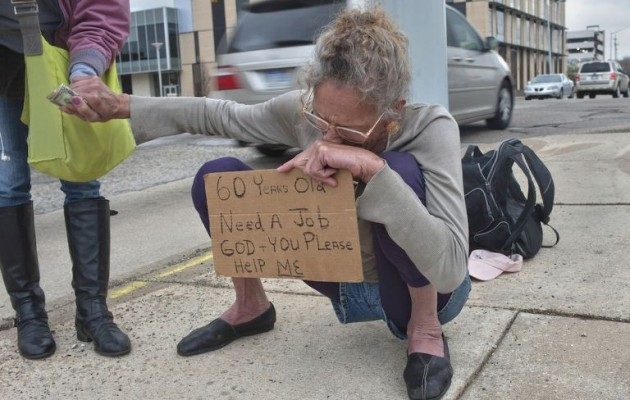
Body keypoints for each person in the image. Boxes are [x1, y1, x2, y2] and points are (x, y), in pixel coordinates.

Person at [67, 5, 471, 399]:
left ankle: (425, 330)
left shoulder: (431, 127)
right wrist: (120, 105)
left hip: (422, 289)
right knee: (217, 176)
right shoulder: (304, 112)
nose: (327, 139)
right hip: (344, 278)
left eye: (347, 131)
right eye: (320, 122)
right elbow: (219, 115)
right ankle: (251, 307)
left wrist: (373, 169)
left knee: (399, 168)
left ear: (393, 111)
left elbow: (451, 267)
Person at [0, 0, 132, 359]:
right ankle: (29, 315)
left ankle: (92, 311)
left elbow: (102, 9)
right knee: (7, 185)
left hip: (63, 59)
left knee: (82, 177)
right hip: (4, 68)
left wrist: (87, 69)